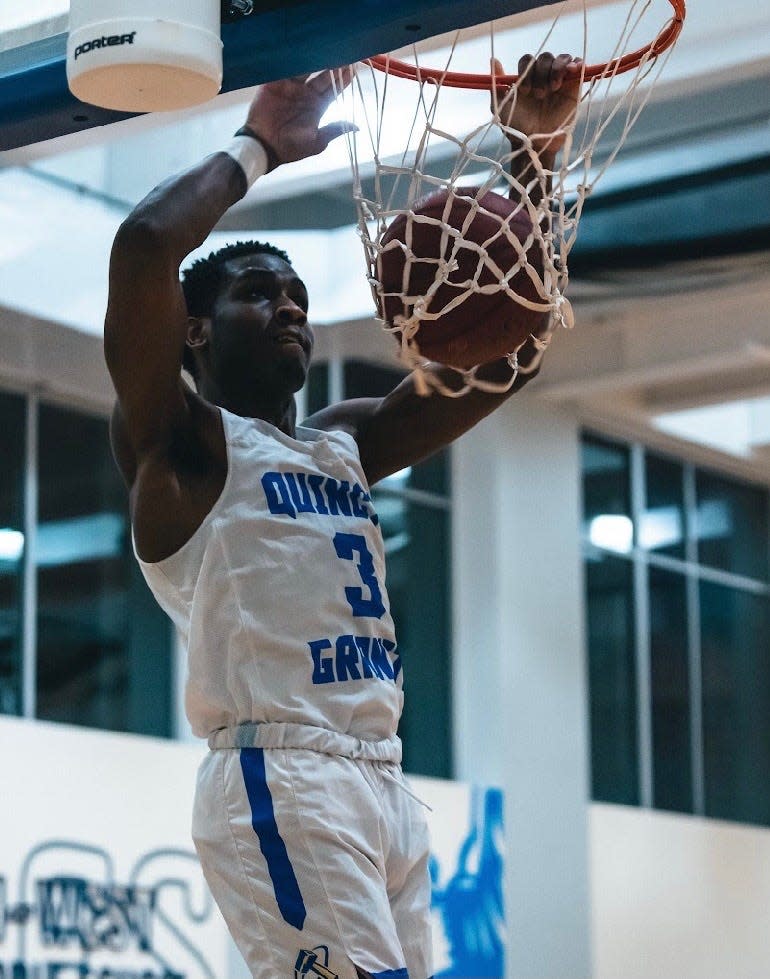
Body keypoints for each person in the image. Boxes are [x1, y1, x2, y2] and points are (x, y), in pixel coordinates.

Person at [104, 53, 581, 979]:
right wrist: (257, 149)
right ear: (193, 329)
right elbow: (143, 248)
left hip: (382, 780)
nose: (288, 307)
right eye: (256, 294)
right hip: (279, 775)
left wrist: (531, 158)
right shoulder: (182, 444)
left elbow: (508, 354)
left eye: (298, 299)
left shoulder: (344, 443)